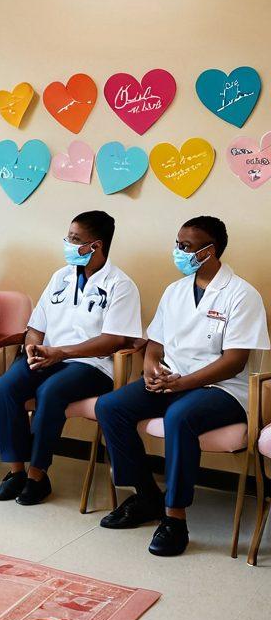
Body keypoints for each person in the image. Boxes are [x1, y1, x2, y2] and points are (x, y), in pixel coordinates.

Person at [96, 216, 269, 556]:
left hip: (223, 389)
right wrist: (150, 369)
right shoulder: (174, 291)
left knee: (179, 417)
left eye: (186, 247)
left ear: (209, 251)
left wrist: (181, 384)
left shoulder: (242, 295)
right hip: (172, 380)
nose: (178, 252)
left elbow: (234, 361)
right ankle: (146, 496)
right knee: (110, 406)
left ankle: (175, 519)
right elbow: (155, 343)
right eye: (177, 244)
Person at [0, 211, 142, 506]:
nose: (68, 244)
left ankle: (37, 475)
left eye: (75, 240)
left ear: (96, 246)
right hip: (49, 356)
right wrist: (33, 348)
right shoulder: (60, 277)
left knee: (51, 391)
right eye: (68, 237)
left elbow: (113, 340)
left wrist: (61, 352)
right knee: (3, 388)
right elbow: (36, 327)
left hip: (92, 365)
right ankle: (16, 472)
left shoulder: (120, 285)